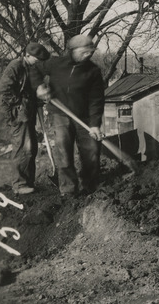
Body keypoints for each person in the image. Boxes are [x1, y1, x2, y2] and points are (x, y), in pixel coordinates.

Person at [33, 34, 105, 197]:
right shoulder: (56, 63)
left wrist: (94, 124)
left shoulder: (93, 71)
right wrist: (40, 86)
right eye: (85, 51)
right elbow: (34, 69)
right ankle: (68, 190)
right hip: (60, 114)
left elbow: (97, 99)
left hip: (84, 117)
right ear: (72, 50)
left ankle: (90, 188)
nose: (89, 54)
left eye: (90, 51)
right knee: (64, 152)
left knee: (92, 151)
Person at [0, 42, 51, 194]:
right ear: (27, 55)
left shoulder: (31, 68)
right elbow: (4, 91)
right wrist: (20, 103)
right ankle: (19, 185)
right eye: (37, 60)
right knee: (23, 148)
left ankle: (28, 182)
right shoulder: (15, 66)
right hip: (16, 114)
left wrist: (36, 98)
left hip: (27, 112)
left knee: (32, 148)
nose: (39, 63)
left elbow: (30, 89)